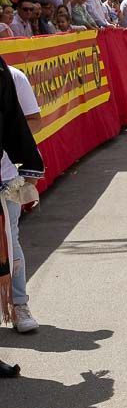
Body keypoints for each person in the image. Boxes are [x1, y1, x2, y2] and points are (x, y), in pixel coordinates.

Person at [0, 54, 45, 372]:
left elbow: (23, 121)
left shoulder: (8, 75)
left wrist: (28, 169)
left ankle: (19, 305)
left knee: (7, 247)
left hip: (3, 180)